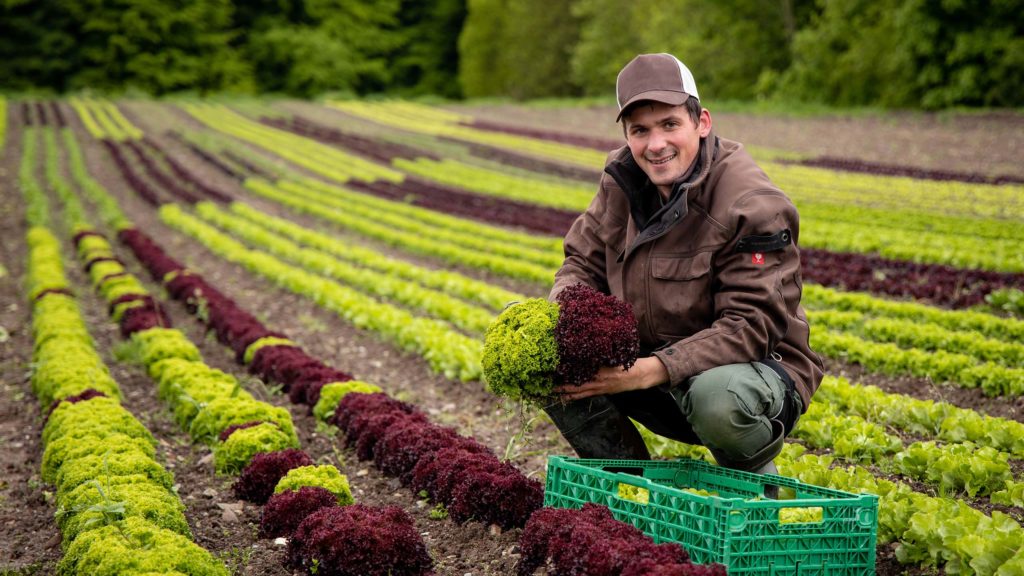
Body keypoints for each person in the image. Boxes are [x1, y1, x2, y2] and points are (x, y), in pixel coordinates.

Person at [546, 53, 824, 476]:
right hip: (652, 369)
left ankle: (754, 490)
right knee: (542, 349)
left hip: (752, 374)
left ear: (702, 122)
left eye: (670, 125)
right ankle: (630, 485)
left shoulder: (751, 203)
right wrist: (569, 319)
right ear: (627, 135)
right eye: (640, 131)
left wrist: (646, 372)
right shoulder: (621, 182)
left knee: (718, 398)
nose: (655, 145)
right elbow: (581, 262)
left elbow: (751, 325)